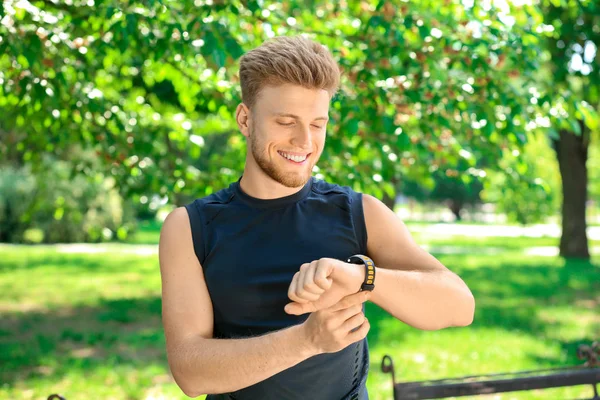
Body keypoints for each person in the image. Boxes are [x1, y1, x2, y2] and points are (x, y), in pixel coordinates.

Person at [158, 35, 475, 400]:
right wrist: (307, 340)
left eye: (317, 123)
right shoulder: (190, 228)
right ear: (245, 119)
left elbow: (459, 305)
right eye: (286, 121)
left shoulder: (359, 212)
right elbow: (190, 372)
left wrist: (362, 277)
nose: (304, 141)